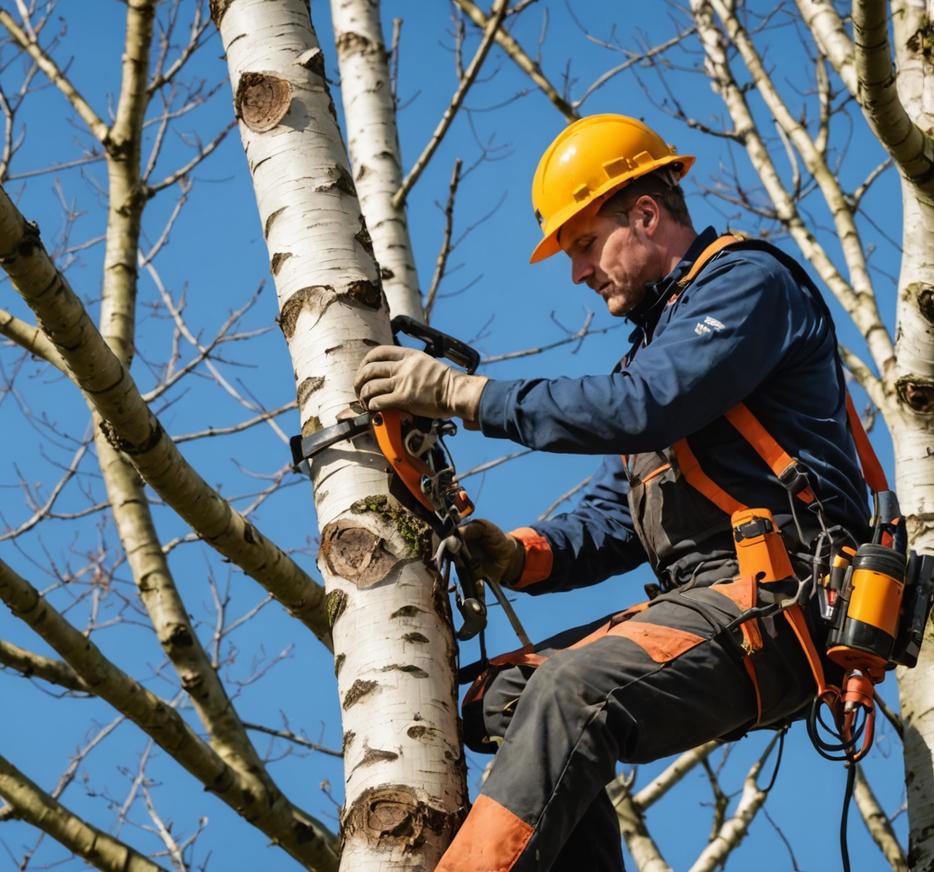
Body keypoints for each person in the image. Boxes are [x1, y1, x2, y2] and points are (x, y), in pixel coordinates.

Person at [353, 114, 875, 872]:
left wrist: (467, 395)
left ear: (644, 214)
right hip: (715, 598)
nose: (577, 273)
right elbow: (618, 513)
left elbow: (641, 408)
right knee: (503, 695)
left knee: (571, 693)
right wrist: (518, 555)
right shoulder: (662, 348)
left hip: (779, 597)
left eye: (583, 245)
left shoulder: (747, 285)